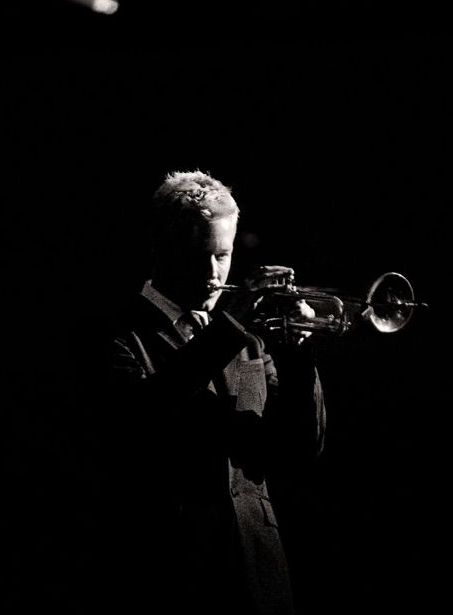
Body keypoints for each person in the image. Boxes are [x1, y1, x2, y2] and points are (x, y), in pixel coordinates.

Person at [91, 171, 326, 615]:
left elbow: (300, 450)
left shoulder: (251, 342)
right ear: (160, 249)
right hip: (170, 574)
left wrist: (297, 351)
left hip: (260, 577)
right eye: (195, 256)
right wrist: (229, 326)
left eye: (222, 255)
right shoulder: (116, 333)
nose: (212, 275)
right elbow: (144, 422)